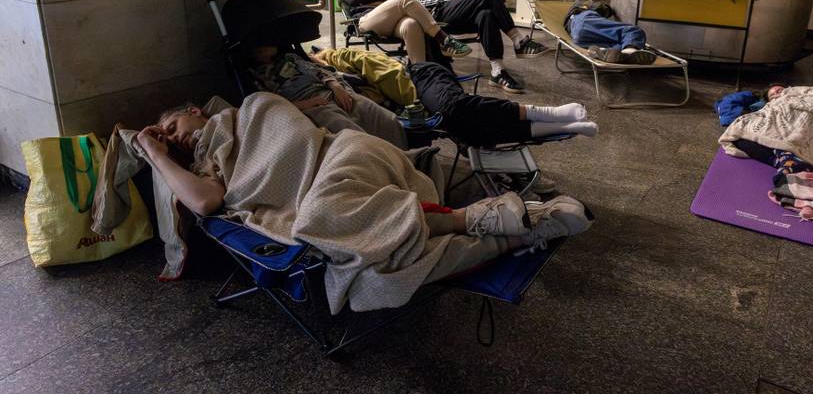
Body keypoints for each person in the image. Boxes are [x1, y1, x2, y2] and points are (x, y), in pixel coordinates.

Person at [137, 92, 592, 313]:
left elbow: (290, 134)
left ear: (196, 110)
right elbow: (204, 203)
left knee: (324, 216)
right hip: (328, 193)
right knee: (369, 275)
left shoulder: (248, 109)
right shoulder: (204, 171)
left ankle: (470, 217)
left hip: (341, 155)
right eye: (168, 139)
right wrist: (158, 155)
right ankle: (517, 231)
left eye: (172, 125)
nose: (173, 136)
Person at [408, 0, 551, 93]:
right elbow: (417, 4)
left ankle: (498, 71)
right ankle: (518, 41)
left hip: (461, 17)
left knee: (486, 15)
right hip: (440, 17)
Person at [246, 43, 408, 149]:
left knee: (379, 116)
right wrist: (304, 104)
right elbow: (270, 103)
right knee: (348, 131)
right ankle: (384, 162)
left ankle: (406, 156)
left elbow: (316, 70)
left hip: (327, 89)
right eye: (259, 45)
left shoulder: (290, 58)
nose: (264, 46)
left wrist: (335, 85)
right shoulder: (256, 76)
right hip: (307, 104)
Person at [408, 62, 599, 146]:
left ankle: (549, 114)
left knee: (453, 108)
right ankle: (560, 126)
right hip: (410, 98)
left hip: (418, 75)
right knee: (468, 133)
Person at [343, 0, 472, 63]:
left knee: (411, 24)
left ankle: (420, 73)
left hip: (391, 24)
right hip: (367, 21)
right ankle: (443, 39)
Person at [563, 0, 656, 65]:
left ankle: (602, 52)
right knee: (633, 30)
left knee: (618, 45)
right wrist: (608, 9)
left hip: (578, 37)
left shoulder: (573, 15)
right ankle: (630, 50)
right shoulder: (583, 4)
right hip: (584, 22)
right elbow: (602, 7)